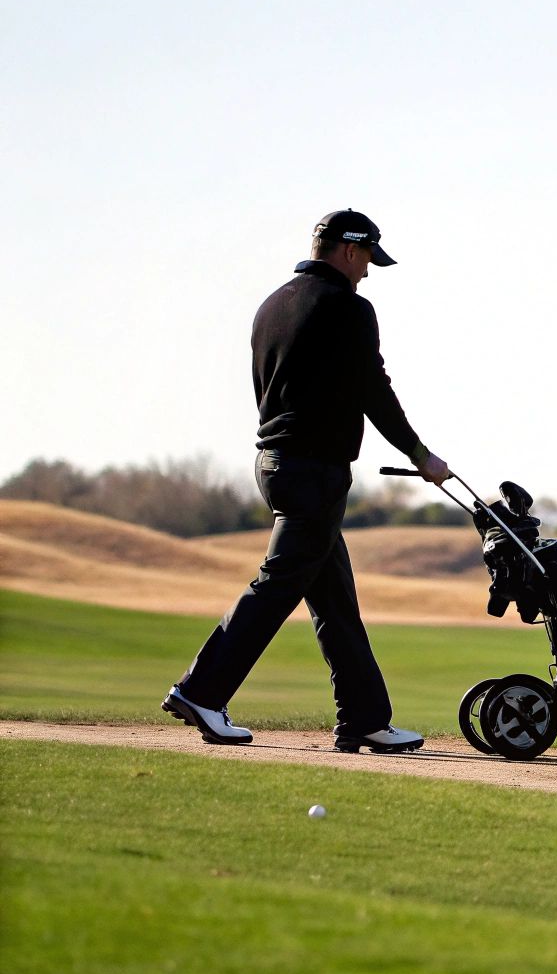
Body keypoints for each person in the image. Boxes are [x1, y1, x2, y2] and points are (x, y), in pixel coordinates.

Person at [162, 209, 451, 753]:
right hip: (314, 471)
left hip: (274, 463)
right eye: (367, 259)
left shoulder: (273, 304)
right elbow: (373, 389)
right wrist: (420, 455)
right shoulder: (349, 308)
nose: (367, 271)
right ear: (349, 250)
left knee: (334, 600)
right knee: (276, 586)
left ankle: (365, 718)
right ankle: (200, 691)